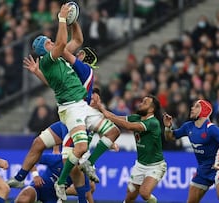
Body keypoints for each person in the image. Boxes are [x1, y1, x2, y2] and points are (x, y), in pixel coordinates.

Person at [18, 3, 121, 200]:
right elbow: (65, 45)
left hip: (78, 113)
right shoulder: (66, 64)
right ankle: (53, 180)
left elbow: (73, 41)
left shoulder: (74, 66)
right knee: (75, 167)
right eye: (80, 53)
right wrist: (66, 20)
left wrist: (69, 21)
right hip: (72, 113)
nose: (80, 53)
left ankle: (65, 178)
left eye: (81, 54)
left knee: (81, 173)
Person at [94, 95, 167, 203]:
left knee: (144, 193)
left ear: (151, 109)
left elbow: (129, 126)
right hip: (140, 165)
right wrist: (101, 108)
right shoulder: (136, 118)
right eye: (142, 101)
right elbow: (116, 117)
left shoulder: (153, 123)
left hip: (155, 166)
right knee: (130, 196)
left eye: (145, 103)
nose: (140, 104)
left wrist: (108, 116)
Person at [162, 99, 219, 203]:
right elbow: (170, 137)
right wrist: (167, 127)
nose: (192, 108)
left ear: (204, 110)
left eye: (196, 106)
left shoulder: (211, 128)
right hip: (203, 170)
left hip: (218, 168)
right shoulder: (188, 126)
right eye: (192, 106)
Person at [14, 147, 93, 203]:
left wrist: (66, 191)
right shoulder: (57, 159)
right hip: (39, 187)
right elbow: (31, 158)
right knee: (23, 198)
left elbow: (88, 193)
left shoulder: (81, 174)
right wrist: (35, 175)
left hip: (54, 197)